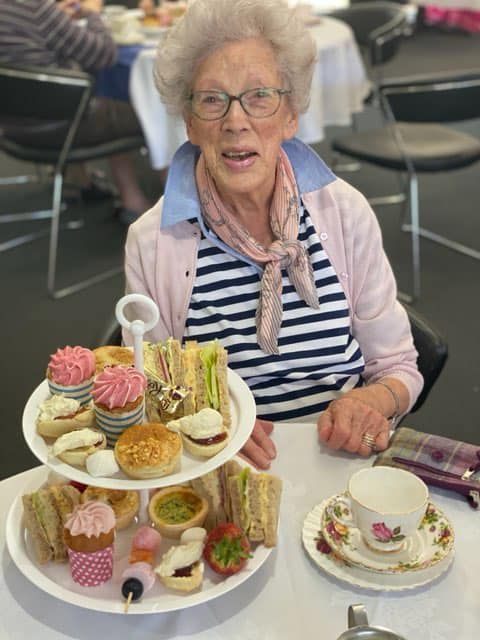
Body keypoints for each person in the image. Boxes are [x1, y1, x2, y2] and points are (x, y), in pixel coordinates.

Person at [123, 0, 423, 468]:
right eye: (211, 99)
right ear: (190, 122)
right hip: (223, 465)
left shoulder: (344, 212)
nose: (235, 121)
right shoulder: (153, 241)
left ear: (290, 116)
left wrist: (372, 403)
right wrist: (208, 422)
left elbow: (399, 367)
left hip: (341, 462)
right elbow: (149, 388)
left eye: (260, 95)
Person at [0, 0, 151, 221]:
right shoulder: (34, 8)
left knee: (79, 92)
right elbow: (104, 55)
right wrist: (93, 14)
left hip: (12, 123)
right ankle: (137, 202)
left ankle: (77, 179)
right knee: (148, 111)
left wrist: (54, 15)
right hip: (59, 126)